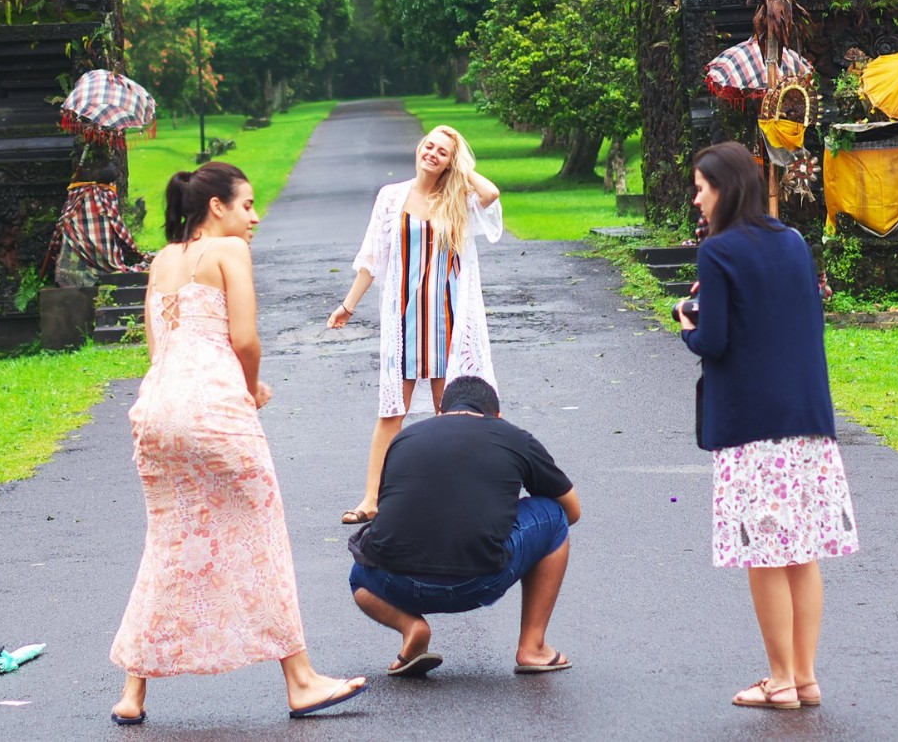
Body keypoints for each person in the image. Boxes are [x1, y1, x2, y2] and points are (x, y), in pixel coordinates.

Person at [108, 162, 368, 725]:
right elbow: (245, 340)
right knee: (262, 535)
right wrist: (249, 391)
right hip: (215, 411)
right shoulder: (229, 252)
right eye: (247, 205)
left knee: (170, 540)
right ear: (217, 207)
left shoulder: (162, 261)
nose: (254, 218)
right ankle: (300, 680)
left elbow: (160, 348)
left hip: (155, 410)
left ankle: (132, 693)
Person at [675, 141, 858, 711]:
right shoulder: (794, 241)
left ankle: (778, 680)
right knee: (802, 553)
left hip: (752, 424)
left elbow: (716, 340)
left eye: (702, 189)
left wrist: (687, 323)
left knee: (764, 554)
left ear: (725, 189)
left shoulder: (719, 251)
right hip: (807, 416)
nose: (697, 200)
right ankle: (804, 676)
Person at [325, 125, 502, 524]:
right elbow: (372, 257)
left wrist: (462, 163)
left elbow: (491, 195)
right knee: (391, 412)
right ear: (419, 149)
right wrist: (347, 306)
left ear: (451, 160)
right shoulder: (392, 197)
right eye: (430, 146)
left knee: (450, 414)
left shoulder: (458, 198)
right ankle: (371, 499)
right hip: (405, 322)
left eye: (443, 152)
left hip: (448, 323)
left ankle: (455, 498)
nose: (433, 154)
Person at [345, 376, 578, 677]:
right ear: (497, 416)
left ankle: (411, 626)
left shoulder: (405, 437)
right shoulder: (514, 437)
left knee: (358, 577)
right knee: (553, 513)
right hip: (480, 579)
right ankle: (532, 648)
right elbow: (572, 510)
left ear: (439, 411)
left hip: (396, 584)